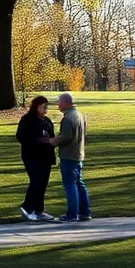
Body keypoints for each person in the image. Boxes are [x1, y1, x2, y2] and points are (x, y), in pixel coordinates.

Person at [48, 92, 90, 223]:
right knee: (79, 183)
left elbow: (65, 137)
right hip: (79, 154)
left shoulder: (68, 118)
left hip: (69, 155)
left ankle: (72, 214)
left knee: (70, 185)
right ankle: (85, 212)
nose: (57, 105)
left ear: (66, 103)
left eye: (59, 102)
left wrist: (52, 141)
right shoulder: (79, 115)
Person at [15, 96, 56, 221]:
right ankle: (27, 207)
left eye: (46, 106)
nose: (45, 109)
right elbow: (21, 137)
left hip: (46, 156)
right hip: (32, 156)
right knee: (36, 181)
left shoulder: (47, 121)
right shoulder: (27, 120)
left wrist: (52, 141)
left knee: (43, 183)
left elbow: (52, 137)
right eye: (43, 106)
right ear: (36, 107)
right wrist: (38, 141)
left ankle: (39, 210)